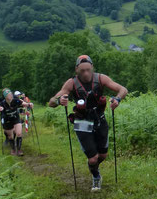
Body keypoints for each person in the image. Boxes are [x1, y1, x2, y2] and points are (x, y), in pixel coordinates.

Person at [48, 55, 127, 191]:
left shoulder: (101, 78)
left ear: (92, 68)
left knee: (103, 155)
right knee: (92, 158)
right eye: (82, 70)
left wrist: (117, 99)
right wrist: (58, 101)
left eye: (88, 70)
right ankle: (96, 176)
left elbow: (123, 89)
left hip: (99, 119)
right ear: (76, 69)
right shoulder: (71, 83)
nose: (85, 73)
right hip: (82, 121)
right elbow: (51, 102)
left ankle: (94, 167)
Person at [0, 88, 32, 156]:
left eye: (11, 94)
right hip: (7, 120)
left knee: (19, 133)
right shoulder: (2, 103)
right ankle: (13, 149)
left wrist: (29, 104)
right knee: (11, 137)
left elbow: (23, 103)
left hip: (15, 118)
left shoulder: (15, 100)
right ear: (5, 96)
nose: (11, 96)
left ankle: (19, 150)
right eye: (9, 95)